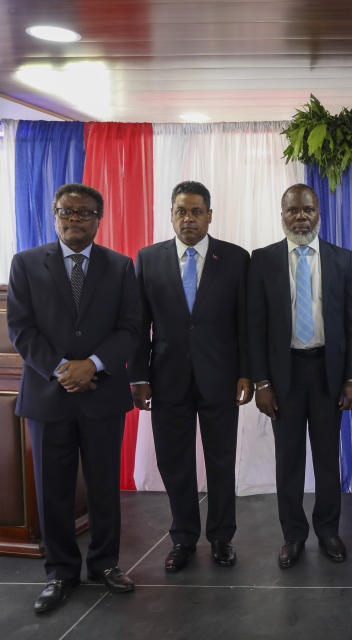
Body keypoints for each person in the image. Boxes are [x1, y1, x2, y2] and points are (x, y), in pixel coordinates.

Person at [6, 183, 139, 613]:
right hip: (49, 395)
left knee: (103, 487)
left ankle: (105, 564)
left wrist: (93, 364)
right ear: (54, 214)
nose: (74, 219)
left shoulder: (120, 267)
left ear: (99, 219)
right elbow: (22, 330)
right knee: (53, 490)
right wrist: (64, 369)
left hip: (102, 394)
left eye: (84, 213)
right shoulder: (26, 264)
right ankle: (60, 571)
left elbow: (131, 328)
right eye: (66, 211)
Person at [132, 181, 251, 572]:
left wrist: (247, 373)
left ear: (210, 216)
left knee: (221, 461)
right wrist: (139, 377)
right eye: (181, 211)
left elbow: (245, 323)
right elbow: (139, 325)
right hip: (167, 379)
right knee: (174, 462)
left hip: (220, 377)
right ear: (171, 214)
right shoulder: (148, 259)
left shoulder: (234, 258)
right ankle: (183, 538)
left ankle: (221, 537)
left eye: (196, 211)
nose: (188, 218)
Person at [247, 183, 352, 567]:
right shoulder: (262, 259)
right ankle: (293, 535)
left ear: (319, 213)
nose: (301, 216)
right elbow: (256, 326)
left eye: (308, 210)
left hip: (328, 373)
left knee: (329, 458)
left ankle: (328, 531)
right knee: (289, 459)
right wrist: (262, 381)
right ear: (282, 215)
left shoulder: (342, 259)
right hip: (284, 376)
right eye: (293, 210)